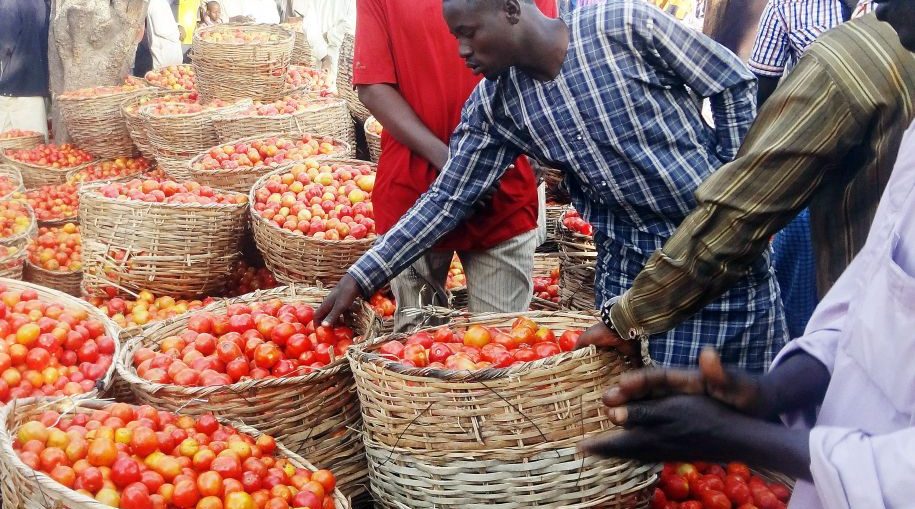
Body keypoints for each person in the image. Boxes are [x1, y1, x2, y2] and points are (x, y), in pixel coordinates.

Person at [317, 0, 787, 372]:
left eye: (468, 33)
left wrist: (735, 183)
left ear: (510, 10)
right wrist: (364, 274)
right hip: (630, 272)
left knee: (748, 410)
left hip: (719, 248)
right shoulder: (496, 106)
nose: (461, 51)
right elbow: (447, 199)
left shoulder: (623, 24)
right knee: (661, 424)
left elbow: (730, 81)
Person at [580, 8, 915, 502]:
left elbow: (740, 208)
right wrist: (772, 393)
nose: (880, 6)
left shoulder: (850, 62)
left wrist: (741, 437)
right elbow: (868, 297)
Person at [588, 10, 915, 361]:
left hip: (878, 326)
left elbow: (742, 211)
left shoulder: (857, 58)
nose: (881, 8)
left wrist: (630, 316)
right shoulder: (814, 24)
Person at [355, 0, 556, 331]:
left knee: (502, 342)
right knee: (417, 346)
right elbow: (373, 85)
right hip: (414, 190)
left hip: (502, 192)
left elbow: (541, 56)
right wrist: (455, 166)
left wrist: (536, 145)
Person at [747, 0, 853, 340]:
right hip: (810, 173)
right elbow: (759, 93)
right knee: (799, 290)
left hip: (879, 168)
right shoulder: (790, 6)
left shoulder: (895, 8)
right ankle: (798, 368)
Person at [0, 0, 50, 138]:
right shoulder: (42, 3)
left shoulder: (8, 4)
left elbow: (5, 46)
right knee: (36, 150)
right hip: (36, 88)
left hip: (12, 90)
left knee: (9, 150)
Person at [300, 0, 356, 90]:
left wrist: (324, 53)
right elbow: (309, 24)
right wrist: (324, 55)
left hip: (334, 57)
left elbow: (350, 25)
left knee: (325, 91)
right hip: (331, 57)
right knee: (323, 91)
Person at [147, 0, 184, 69]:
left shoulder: (161, 2)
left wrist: (178, 26)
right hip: (164, 56)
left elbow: (167, 22)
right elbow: (161, 29)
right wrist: (179, 33)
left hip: (168, 55)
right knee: (163, 76)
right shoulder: (157, 3)